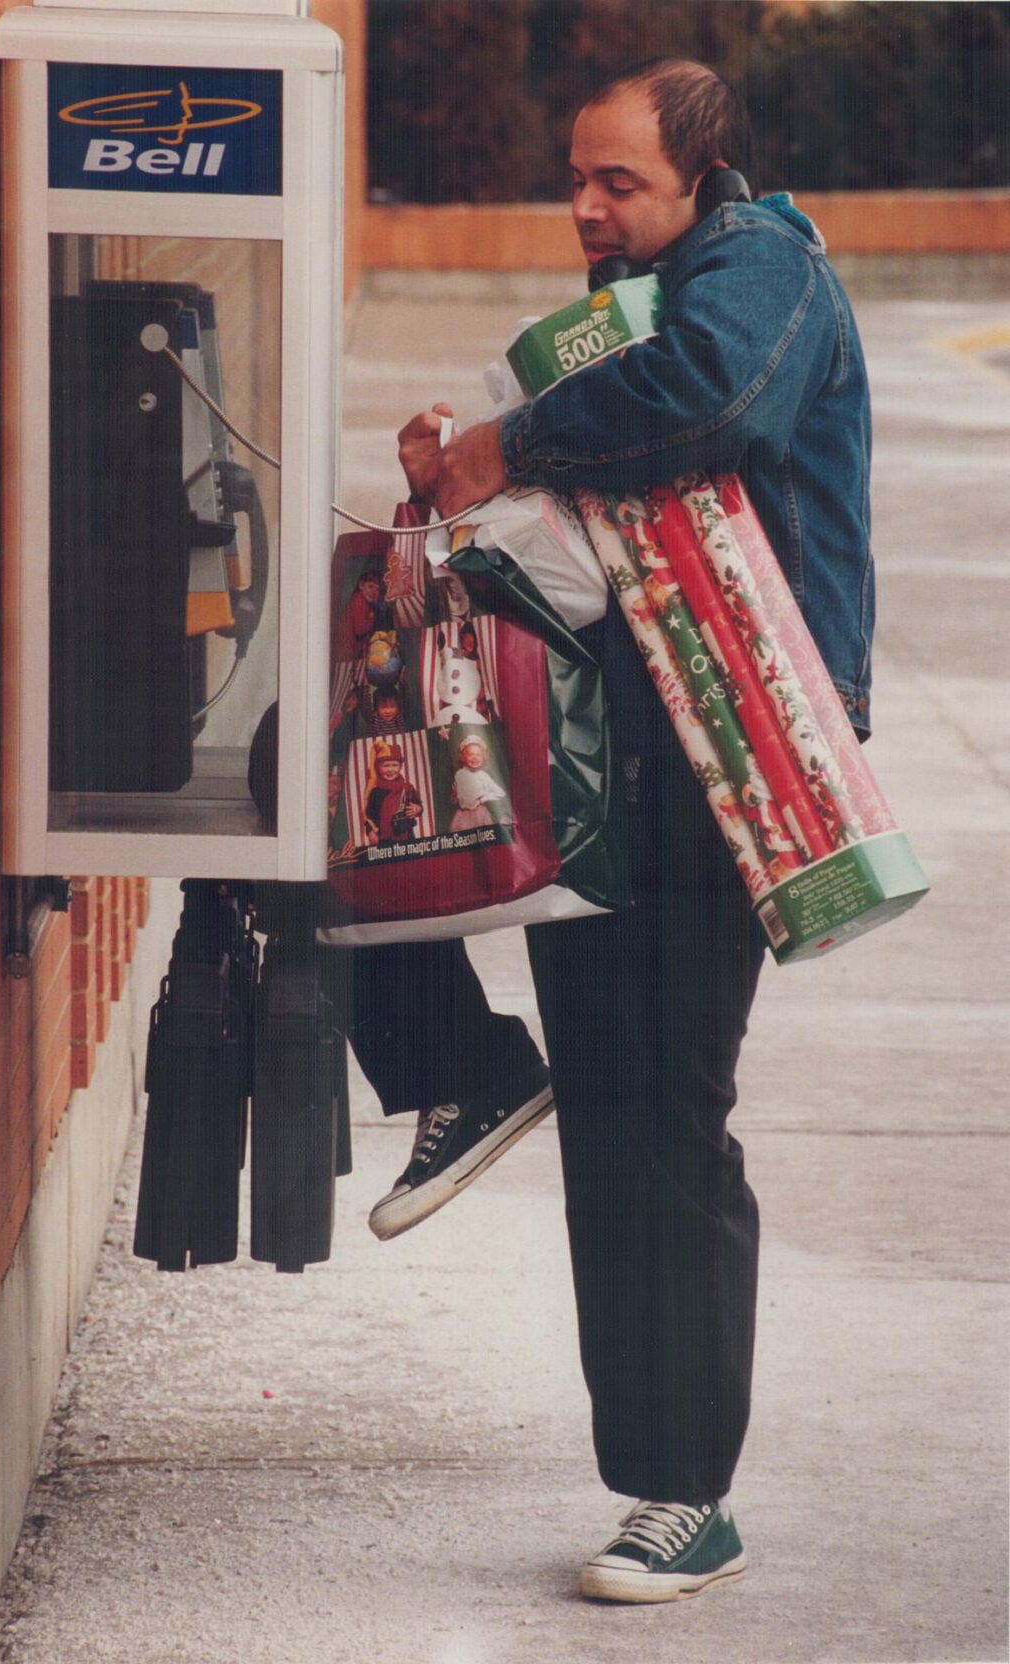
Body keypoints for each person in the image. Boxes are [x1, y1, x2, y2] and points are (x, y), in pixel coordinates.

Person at [392, 57, 874, 1605]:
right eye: (580, 179)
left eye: (621, 183)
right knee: (591, 1092)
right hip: (609, 739)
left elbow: (709, 406)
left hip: (722, 756)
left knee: (662, 1109)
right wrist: (452, 492)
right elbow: (601, 530)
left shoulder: (760, 271)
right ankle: (466, 1071)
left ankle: (685, 1496)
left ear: (700, 176)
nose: (588, 208)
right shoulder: (619, 314)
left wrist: (510, 442)